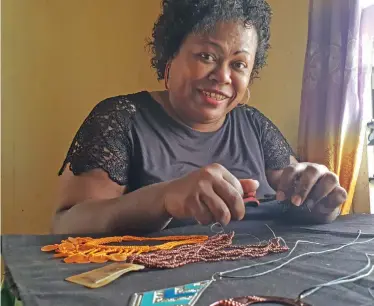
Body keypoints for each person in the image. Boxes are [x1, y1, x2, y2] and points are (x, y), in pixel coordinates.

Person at [52, 0, 347, 235]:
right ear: (170, 56)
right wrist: (165, 198)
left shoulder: (254, 125)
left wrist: (319, 197)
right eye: (207, 56)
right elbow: (66, 224)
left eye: (239, 64)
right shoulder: (121, 119)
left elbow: (299, 194)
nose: (222, 76)